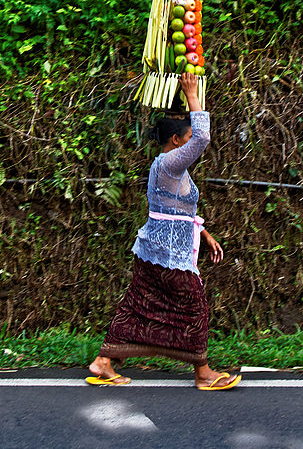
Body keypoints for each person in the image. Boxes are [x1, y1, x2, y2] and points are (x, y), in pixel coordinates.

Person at [87, 72, 240, 391]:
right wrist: (192, 93)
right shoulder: (169, 164)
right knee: (195, 303)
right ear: (175, 141)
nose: (190, 147)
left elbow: (176, 211)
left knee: (138, 303)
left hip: (153, 250)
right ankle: (203, 372)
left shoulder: (168, 167)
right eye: (185, 141)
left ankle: (103, 362)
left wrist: (203, 232)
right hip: (167, 254)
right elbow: (203, 138)